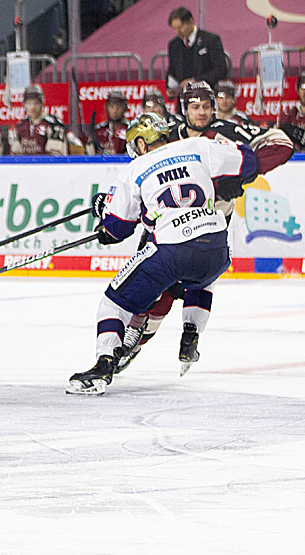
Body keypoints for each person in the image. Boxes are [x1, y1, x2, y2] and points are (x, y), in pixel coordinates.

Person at [67, 113, 258, 395]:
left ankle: (104, 365)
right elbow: (249, 161)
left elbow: (118, 228)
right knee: (202, 276)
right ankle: (191, 332)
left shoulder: (135, 168)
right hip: (217, 245)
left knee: (113, 303)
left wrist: (104, 211)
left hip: (171, 247)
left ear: (142, 144)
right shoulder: (197, 146)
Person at [116, 81, 294, 372]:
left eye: (207, 106)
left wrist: (239, 177)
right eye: (195, 107)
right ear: (184, 109)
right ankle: (134, 340)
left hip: (208, 225)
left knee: (195, 277)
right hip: (166, 223)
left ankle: (187, 335)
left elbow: (281, 145)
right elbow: (141, 167)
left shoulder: (228, 131)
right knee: (159, 287)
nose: (202, 113)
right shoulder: (167, 135)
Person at [165, 6, 228, 101]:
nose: (178, 32)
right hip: (184, 100)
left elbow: (220, 69)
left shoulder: (210, 40)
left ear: (191, 22)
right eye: (174, 28)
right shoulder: (174, 45)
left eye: (180, 27)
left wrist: (195, 81)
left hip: (206, 97)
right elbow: (172, 71)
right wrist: (170, 88)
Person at [8, 85, 68, 155]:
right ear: (24, 105)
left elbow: (55, 156)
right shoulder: (20, 126)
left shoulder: (53, 125)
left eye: (36, 103)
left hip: (46, 165)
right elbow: (16, 155)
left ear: (42, 104)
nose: (32, 107)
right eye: (29, 103)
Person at [88, 89, 129, 155]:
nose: (115, 111)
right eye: (112, 107)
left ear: (125, 108)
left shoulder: (130, 129)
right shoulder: (99, 130)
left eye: (118, 107)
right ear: (107, 107)